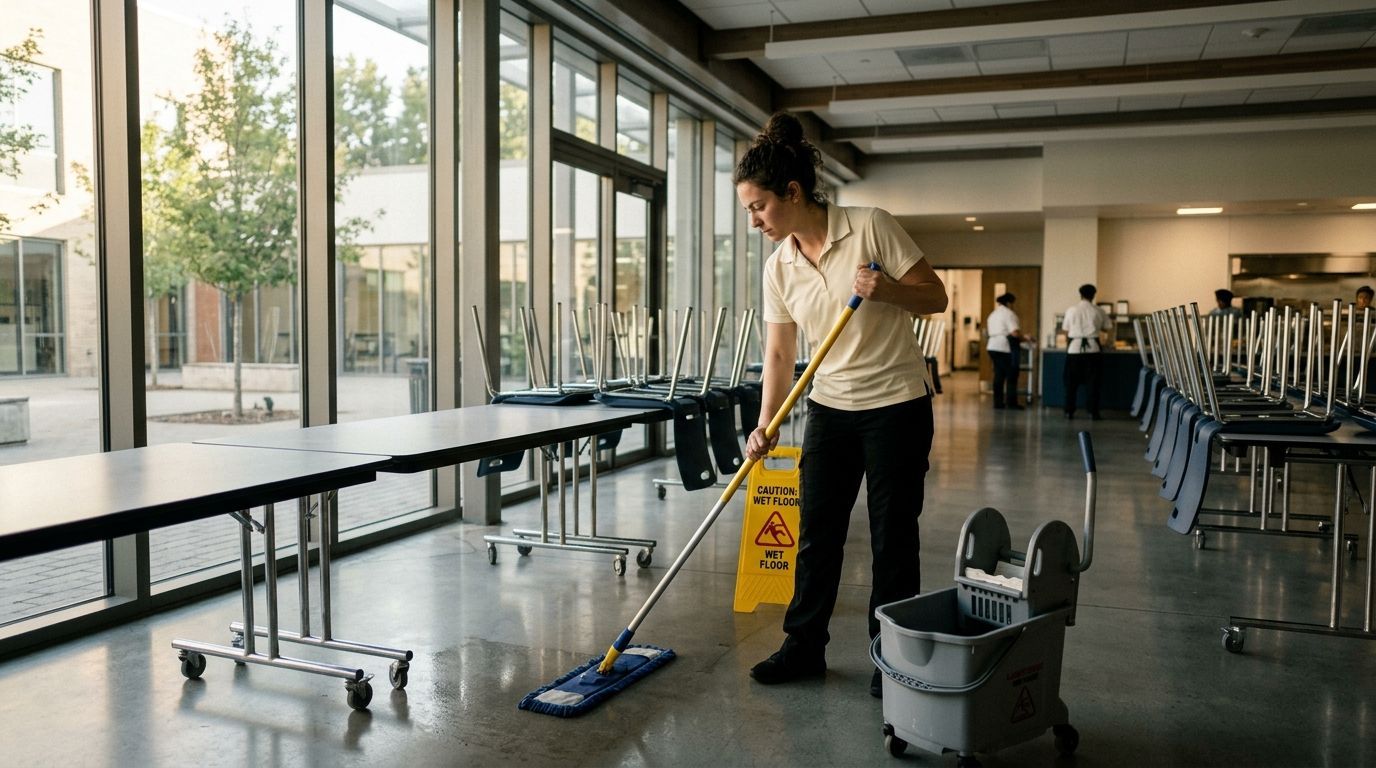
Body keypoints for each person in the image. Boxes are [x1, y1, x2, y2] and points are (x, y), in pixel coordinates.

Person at [735, 112, 948, 700]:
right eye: (748, 210)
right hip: (829, 407)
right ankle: (803, 647)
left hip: (896, 407)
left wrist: (890, 291)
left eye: (758, 207)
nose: (753, 220)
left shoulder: (871, 226)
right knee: (816, 534)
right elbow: (779, 355)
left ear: (793, 193)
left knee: (892, 538)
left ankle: (892, 659)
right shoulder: (779, 266)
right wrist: (764, 426)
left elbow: (936, 296)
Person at [1062, 283, 1111, 420]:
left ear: (1080, 295)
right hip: (1093, 349)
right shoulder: (1098, 310)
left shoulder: (1071, 310)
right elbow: (1107, 327)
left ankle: (1069, 411)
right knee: (1093, 383)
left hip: (1074, 349)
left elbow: (1065, 331)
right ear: (1093, 295)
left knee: (1071, 383)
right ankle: (1093, 412)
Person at [985, 292, 1029, 409]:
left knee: (999, 375)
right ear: (1009, 303)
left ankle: (998, 403)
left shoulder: (992, 314)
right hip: (1004, 347)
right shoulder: (1009, 314)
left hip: (992, 347)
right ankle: (1011, 403)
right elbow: (1014, 333)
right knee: (1011, 375)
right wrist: (1025, 338)